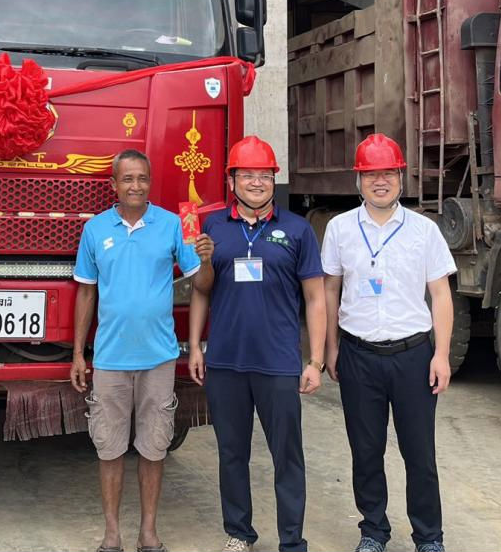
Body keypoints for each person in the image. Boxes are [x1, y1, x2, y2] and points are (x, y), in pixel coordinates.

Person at [188, 135, 327, 552]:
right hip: (226, 361)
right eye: (247, 174)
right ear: (231, 180)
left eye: (264, 175)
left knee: (287, 456)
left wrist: (315, 360)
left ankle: (291, 541)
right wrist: (195, 345)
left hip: (279, 363)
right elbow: (201, 290)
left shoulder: (297, 230)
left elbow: (315, 298)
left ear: (273, 180)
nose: (256, 182)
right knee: (232, 453)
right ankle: (239, 532)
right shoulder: (213, 227)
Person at [321, 134, 456, 552]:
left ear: (400, 177)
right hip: (358, 355)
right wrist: (330, 349)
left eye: (388, 174)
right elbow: (329, 291)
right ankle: (373, 531)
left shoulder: (424, 231)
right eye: (370, 174)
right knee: (366, 452)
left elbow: (441, 294)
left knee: (419, 454)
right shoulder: (340, 229)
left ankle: (428, 537)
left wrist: (441, 355)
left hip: (412, 356)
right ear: (358, 181)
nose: (380, 182)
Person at [71, 149, 205, 552]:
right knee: (109, 448)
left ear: (150, 182)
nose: (136, 186)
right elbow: (86, 292)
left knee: (155, 446)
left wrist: (206, 258)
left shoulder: (172, 224)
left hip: (158, 357)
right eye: (127, 179)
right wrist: (78, 353)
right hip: (110, 358)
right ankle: (112, 534)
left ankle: (148, 532)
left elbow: (203, 283)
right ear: (114, 184)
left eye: (142, 178)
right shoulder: (96, 229)